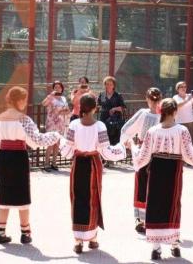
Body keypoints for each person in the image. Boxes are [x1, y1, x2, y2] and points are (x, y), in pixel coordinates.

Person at [131, 98, 193, 260]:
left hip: (156, 169)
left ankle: (156, 247)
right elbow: (191, 157)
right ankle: (174, 244)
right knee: (172, 204)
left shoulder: (153, 131)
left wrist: (132, 147)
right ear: (175, 112)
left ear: (161, 111)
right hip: (173, 170)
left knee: (154, 204)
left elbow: (142, 157)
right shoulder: (181, 131)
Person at [0, 86, 62, 244]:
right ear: (19, 100)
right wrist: (56, 135)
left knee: (4, 192)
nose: (26, 103)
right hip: (19, 157)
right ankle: (25, 233)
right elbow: (37, 140)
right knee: (22, 193)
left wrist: (1, 146)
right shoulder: (23, 119)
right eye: (25, 100)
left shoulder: (2, 117)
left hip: (4, 157)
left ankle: (0, 232)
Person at [60, 94, 126, 254]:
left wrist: (59, 141)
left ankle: (78, 240)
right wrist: (122, 149)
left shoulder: (74, 124)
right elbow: (105, 151)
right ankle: (93, 237)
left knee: (77, 197)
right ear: (95, 107)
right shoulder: (100, 126)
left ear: (81, 106)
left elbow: (67, 150)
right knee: (93, 197)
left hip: (78, 163)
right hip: (93, 163)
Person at [120, 87, 162, 234]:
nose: (154, 102)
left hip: (158, 153)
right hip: (144, 151)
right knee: (142, 183)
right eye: (152, 99)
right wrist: (128, 142)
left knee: (157, 185)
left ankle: (154, 217)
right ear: (147, 99)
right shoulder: (143, 113)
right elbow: (127, 128)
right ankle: (141, 219)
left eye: (157, 99)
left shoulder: (164, 115)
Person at [41, 81, 70, 171]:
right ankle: (46, 163)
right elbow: (43, 104)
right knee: (50, 143)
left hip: (60, 123)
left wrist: (62, 112)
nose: (57, 89)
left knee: (57, 143)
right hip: (51, 122)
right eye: (55, 87)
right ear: (53, 88)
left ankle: (54, 162)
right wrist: (50, 95)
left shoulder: (63, 99)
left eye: (59, 87)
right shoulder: (50, 97)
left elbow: (68, 110)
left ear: (62, 89)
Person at [98, 76, 126, 146]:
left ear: (113, 85)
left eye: (110, 84)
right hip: (104, 118)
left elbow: (123, 108)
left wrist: (114, 109)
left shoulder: (117, 95)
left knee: (114, 139)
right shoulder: (102, 94)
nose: (108, 86)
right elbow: (99, 105)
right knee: (104, 138)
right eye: (107, 84)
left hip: (115, 120)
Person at [173, 81, 193, 145]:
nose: (184, 88)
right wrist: (187, 100)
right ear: (177, 89)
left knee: (192, 141)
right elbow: (177, 105)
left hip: (191, 122)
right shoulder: (175, 97)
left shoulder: (189, 96)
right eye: (182, 87)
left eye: (185, 86)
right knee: (181, 142)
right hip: (180, 122)